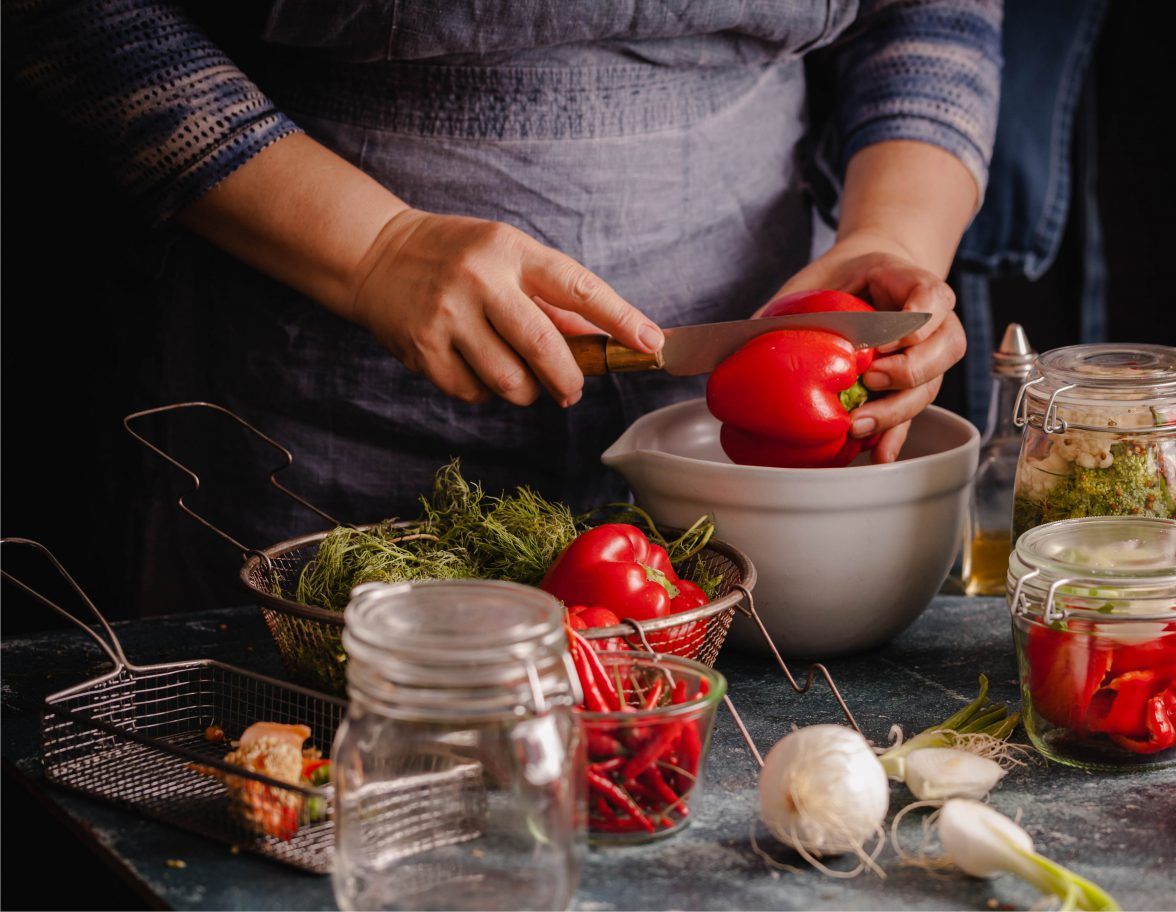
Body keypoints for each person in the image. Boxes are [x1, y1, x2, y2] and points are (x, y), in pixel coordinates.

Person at [6, 0, 1001, 608]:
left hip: (741, 464)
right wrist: (374, 249)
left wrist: (889, 240)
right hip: (317, 402)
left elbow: (931, 6)